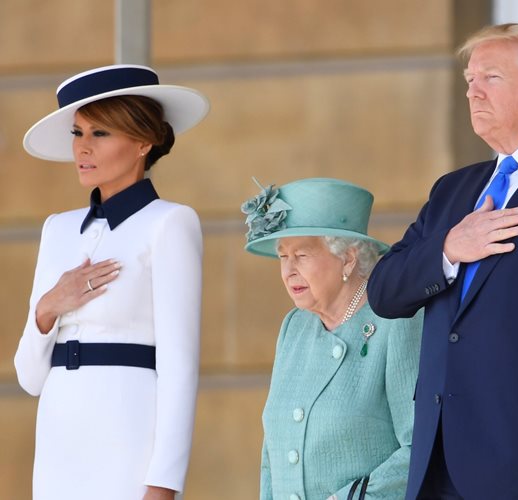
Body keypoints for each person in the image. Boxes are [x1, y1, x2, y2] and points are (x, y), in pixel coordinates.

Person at [367, 22, 518, 500]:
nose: (473, 91)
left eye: (490, 77)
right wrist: (449, 249)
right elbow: (384, 291)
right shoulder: (453, 190)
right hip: (438, 461)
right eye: (469, 79)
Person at [14, 64, 209, 500]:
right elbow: (29, 377)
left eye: (99, 134)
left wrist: (163, 483)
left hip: (129, 440)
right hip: (58, 442)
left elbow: (180, 366)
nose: (82, 149)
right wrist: (49, 305)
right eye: (77, 133)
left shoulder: (171, 223)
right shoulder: (56, 229)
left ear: (144, 141)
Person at [241, 177, 422, 500]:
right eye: (284, 256)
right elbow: (273, 455)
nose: (288, 270)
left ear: (348, 259)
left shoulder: (396, 321)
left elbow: (419, 446)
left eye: (302, 256)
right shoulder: (294, 327)